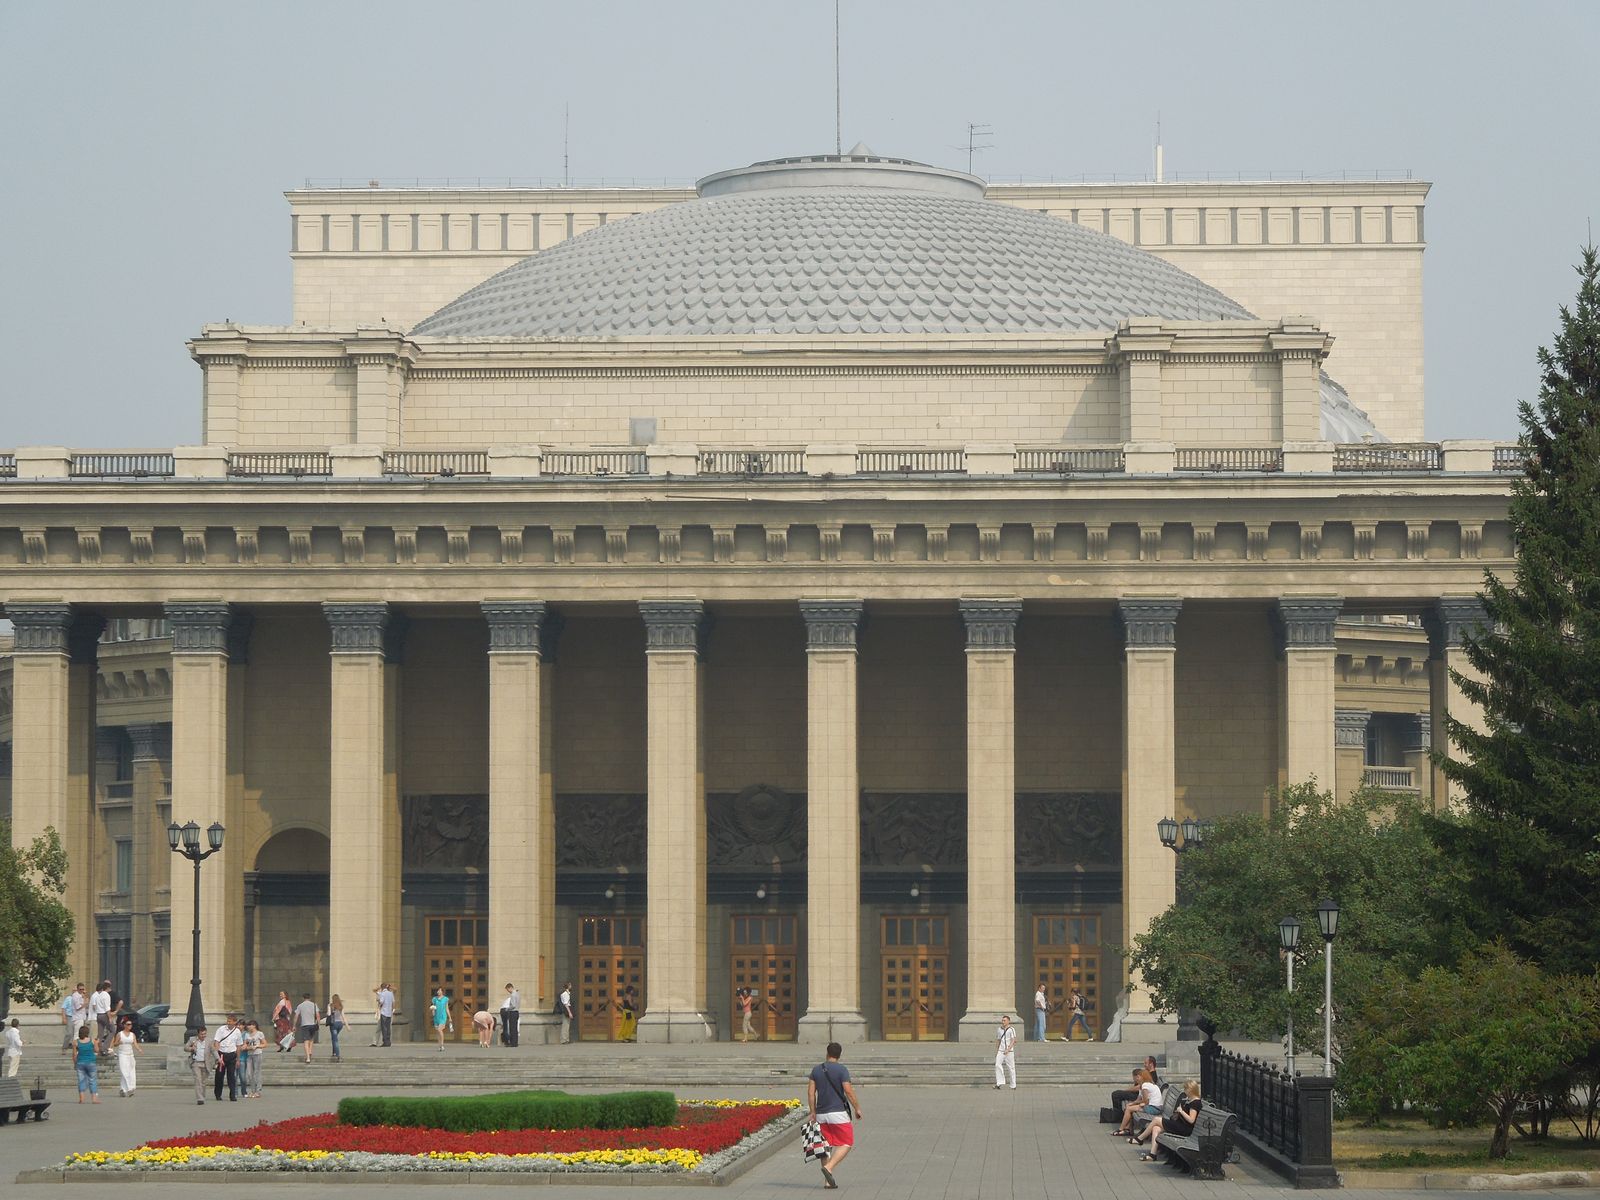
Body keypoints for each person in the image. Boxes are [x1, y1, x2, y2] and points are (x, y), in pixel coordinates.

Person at [807, 1042, 861, 1190]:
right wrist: (857, 1108)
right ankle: (829, 1167)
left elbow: (811, 1093)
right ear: (839, 1055)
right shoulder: (842, 1070)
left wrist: (813, 1111)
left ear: (827, 1053)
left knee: (825, 1146)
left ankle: (827, 1182)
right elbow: (848, 1091)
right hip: (838, 1113)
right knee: (847, 1142)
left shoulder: (816, 1070)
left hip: (821, 1114)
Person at [1137, 1080, 1202, 1160]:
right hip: (1179, 1125)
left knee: (1157, 1119)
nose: (1185, 1091)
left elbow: (1191, 1120)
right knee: (1156, 1128)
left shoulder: (1195, 1103)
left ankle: (1140, 1138)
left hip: (1184, 1129)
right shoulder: (1191, 1100)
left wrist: (1181, 1111)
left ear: (1191, 1090)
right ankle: (1152, 1154)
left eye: (1186, 1089)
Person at [1115, 1068, 1163, 1135]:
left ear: (1138, 1077)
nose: (1134, 1079)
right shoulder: (1143, 1085)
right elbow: (1139, 1099)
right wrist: (1132, 1103)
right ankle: (1127, 1128)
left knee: (1129, 1109)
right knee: (1130, 1107)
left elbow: (1145, 1101)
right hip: (1152, 1106)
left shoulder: (1145, 1086)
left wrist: (1134, 1104)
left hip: (1154, 1108)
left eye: (1134, 1077)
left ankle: (1121, 1129)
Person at [214, 1014, 243, 1100]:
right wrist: (217, 1056)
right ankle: (218, 1094)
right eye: (228, 1021)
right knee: (219, 1075)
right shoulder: (221, 1029)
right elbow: (217, 1042)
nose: (228, 1022)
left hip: (231, 1055)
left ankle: (232, 1095)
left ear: (235, 1022)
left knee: (231, 1076)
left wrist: (238, 1059)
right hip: (222, 1054)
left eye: (230, 1021)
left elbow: (238, 1046)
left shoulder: (237, 1032)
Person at [113, 1016, 140, 1096]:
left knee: (131, 1071)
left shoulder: (132, 1034)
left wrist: (139, 1049)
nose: (130, 1026)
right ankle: (129, 1088)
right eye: (128, 1024)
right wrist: (118, 1043)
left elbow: (135, 1043)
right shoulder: (120, 1034)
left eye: (131, 1024)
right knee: (124, 1071)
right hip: (122, 1054)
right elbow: (114, 1044)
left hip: (130, 1055)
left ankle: (124, 1089)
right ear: (124, 1025)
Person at [74, 1024, 101, 1103]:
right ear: (87, 1032)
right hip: (91, 1062)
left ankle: (82, 1098)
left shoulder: (76, 1042)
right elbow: (97, 1050)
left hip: (80, 1062)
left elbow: (74, 1054)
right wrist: (97, 1043)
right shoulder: (92, 1040)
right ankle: (94, 1098)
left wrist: (75, 1063)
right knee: (92, 1080)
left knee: (81, 1080)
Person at [184, 1024, 209, 1105]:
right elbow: (185, 1048)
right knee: (198, 1080)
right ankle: (200, 1098)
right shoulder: (193, 1040)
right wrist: (192, 1048)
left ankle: (203, 1095)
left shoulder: (208, 1041)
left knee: (203, 1082)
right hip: (196, 1062)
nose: (203, 1035)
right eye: (202, 1034)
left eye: (204, 1034)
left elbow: (213, 1050)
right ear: (198, 1034)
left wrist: (218, 1059)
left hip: (205, 1063)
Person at [242, 1019, 265, 1098]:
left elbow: (265, 1044)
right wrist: (245, 1047)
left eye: (249, 1025)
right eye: (248, 1025)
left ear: (254, 1025)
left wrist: (257, 1046)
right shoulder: (247, 1034)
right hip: (249, 1054)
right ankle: (252, 1091)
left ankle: (258, 1091)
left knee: (257, 1073)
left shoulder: (259, 1033)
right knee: (249, 1073)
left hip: (257, 1054)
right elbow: (245, 1044)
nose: (248, 1027)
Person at [994, 1014, 1018, 1089]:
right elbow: (998, 1040)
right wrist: (997, 1050)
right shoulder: (999, 1029)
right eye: (1002, 1020)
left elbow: (1013, 1040)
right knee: (997, 1065)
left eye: (1004, 1020)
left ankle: (1013, 1085)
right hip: (1001, 1050)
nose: (1003, 1022)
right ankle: (1000, 1082)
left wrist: (1008, 1049)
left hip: (1009, 1051)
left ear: (1008, 1021)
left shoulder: (1011, 1029)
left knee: (1011, 1068)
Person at [295, 993, 319, 1063]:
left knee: (306, 1041)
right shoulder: (314, 1005)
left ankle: (308, 1057)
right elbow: (318, 1015)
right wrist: (318, 1024)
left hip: (305, 1025)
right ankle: (310, 1052)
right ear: (310, 998)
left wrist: (294, 1025)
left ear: (303, 998)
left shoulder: (300, 1006)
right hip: (313, 1024)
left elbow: (296, 1016)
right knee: (311, 1039)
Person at [90, 980, 113, 1052]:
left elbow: (96, 1007)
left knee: (100, 1034)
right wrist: (110, 1018)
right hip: (104, 1015)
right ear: (108, 988)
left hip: (98, 1015)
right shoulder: (106, 995)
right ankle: (105, 1047)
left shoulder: (98, 996)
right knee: (113, 1030)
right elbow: (107, 1008)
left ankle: (99, 1048)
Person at [372, 983, 395, 1047]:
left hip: (383, 1012)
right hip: (389, 1013)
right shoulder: (391, 993)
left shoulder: (382, 993)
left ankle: (385, 1042)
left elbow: (381, 1002)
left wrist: (379, 1002)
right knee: (387, 1028)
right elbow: (393, 1002)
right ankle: (388, 1041)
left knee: (383, 1028)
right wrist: (392, 1010)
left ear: (382, 988)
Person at [326, 994, 345, 1062]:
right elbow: (343, 1015)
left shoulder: (330, 1005)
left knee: (335, 1040)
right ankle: (334, 1053)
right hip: (340, 1024)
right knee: (334, 1038)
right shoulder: (340, 1006)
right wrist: (347, 1024)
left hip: (333, 1024)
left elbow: (328, 1014)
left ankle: (338, 1055)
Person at [500, 983, 520, 1048]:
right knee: (515, 1028)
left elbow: (513, 1005)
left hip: (513, 1012)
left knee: (512, 1028)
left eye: (508, 990)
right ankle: (515, 1042)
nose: (508, 991)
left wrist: (507, 1009)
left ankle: (513, 1043)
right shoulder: (517, 994)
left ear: (510, 988)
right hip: (517, 1012)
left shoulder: (513, 995)